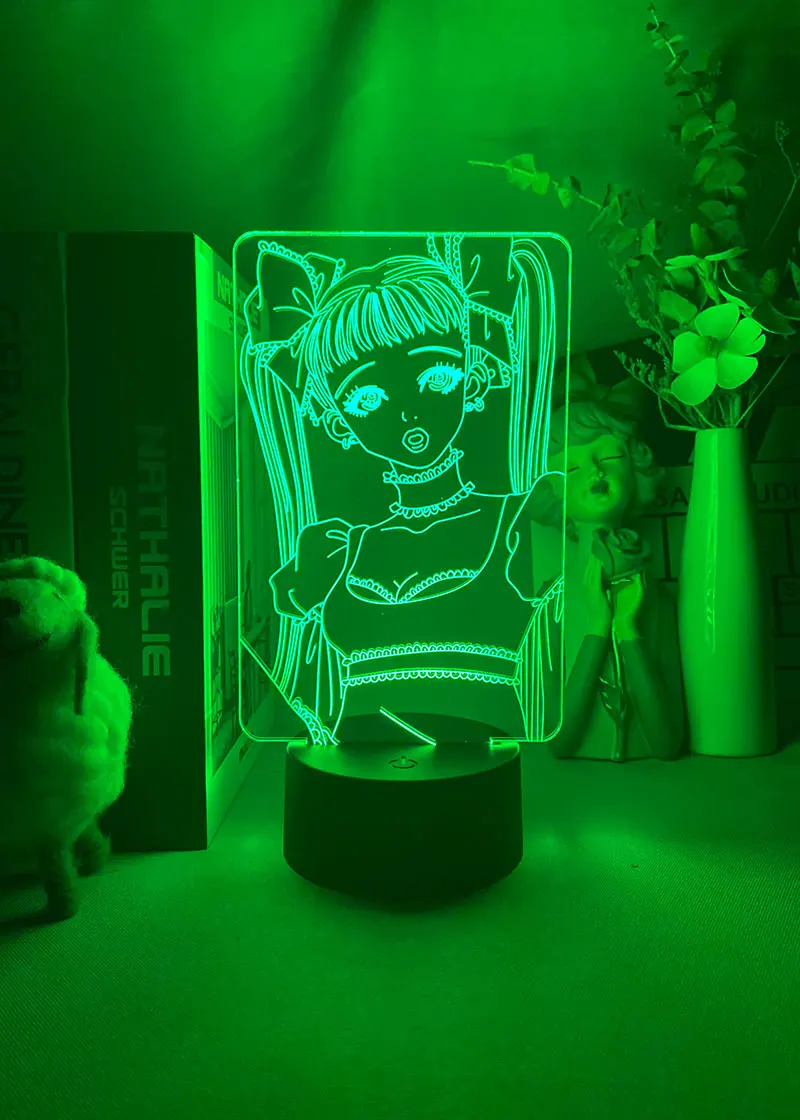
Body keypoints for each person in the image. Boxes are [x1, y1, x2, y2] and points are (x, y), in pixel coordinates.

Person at [239, 234, 565, 744]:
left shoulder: (520, 518)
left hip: (480, 768)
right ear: (340, 422)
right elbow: (291, 679)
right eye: (367, 399)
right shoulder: (331, 549)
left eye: (435, 377)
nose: (408, 412)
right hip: (353, 771)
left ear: (473, 377)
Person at [533, 366, 685, 762]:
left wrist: (626, 628)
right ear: (550, 490)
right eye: (571, 467)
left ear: (636, 467)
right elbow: (559, 743)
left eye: (610, 455)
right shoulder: (549, 605)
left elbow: (666, 745)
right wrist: (598, 628)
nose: (595, 471)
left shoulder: (657, 600)